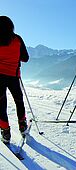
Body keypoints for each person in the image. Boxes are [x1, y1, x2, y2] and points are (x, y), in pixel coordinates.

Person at [0, 16, 29, 144]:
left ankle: (5, 132)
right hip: (14, 76)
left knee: (1, 104)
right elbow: (25, 58)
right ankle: (22, 126)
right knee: (19, 101)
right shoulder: (17, 39)